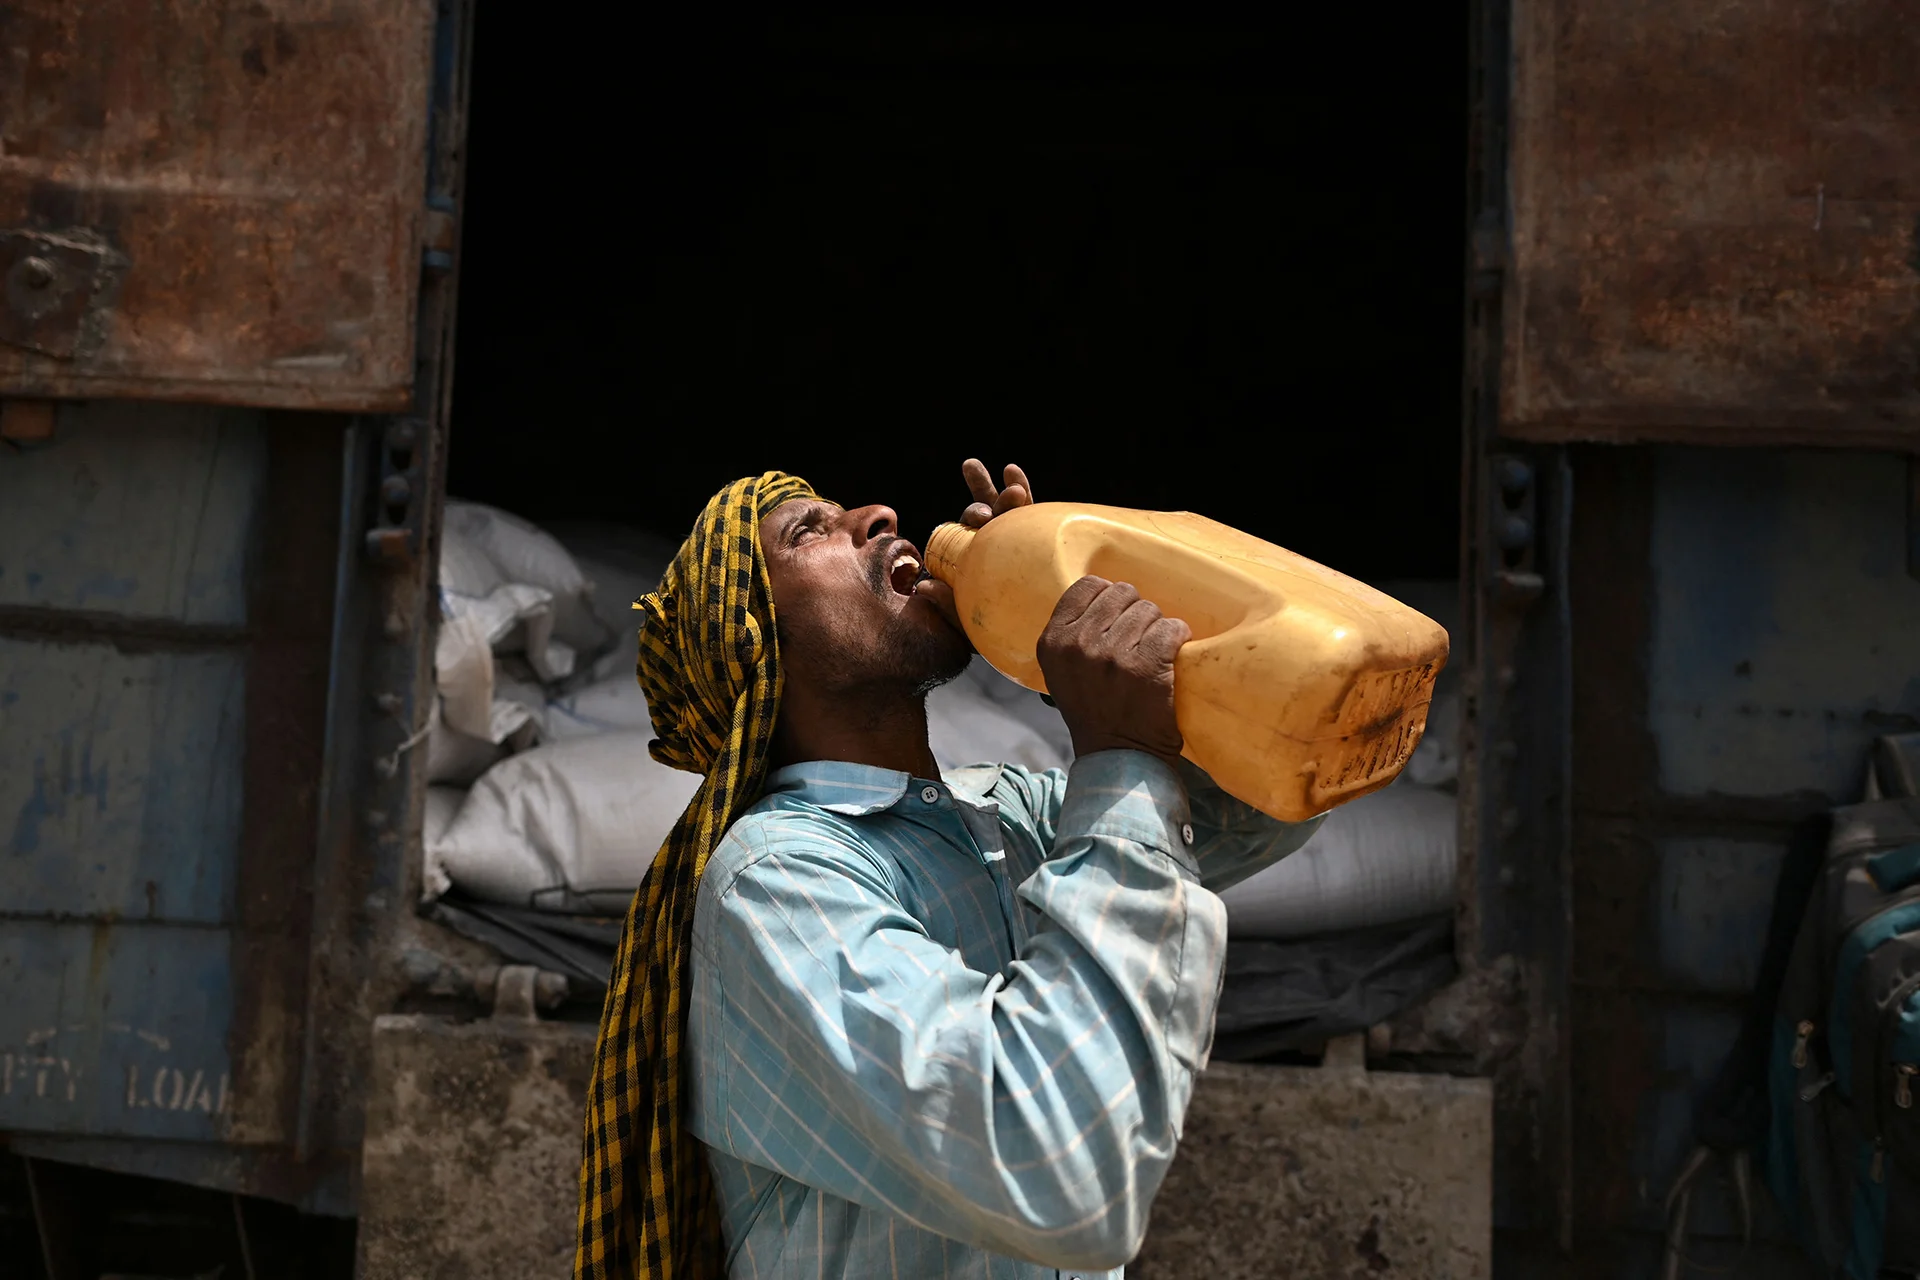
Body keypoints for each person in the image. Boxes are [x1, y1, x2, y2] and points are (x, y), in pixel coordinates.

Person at [577, 462, 1321, 1280]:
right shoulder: (779, 881)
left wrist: (1079, 600)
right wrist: (1118, 755)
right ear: (752, 639)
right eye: (808, 531)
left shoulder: (1006, 814)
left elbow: (1280, 783)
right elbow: (1062, 1174)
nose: (876, 513)